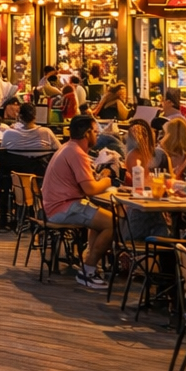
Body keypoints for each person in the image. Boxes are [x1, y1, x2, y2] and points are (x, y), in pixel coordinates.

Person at [39, 114, 115, 289]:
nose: (97, 135)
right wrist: (107, 181)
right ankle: (87, 271)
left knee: (100, 221)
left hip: (54, 206)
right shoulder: (76, 153)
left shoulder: (68, 148)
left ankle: (88, 264)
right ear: (87, 133)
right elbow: (90, 189)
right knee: (112, 222)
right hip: (63, 208)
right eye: (95, 131)